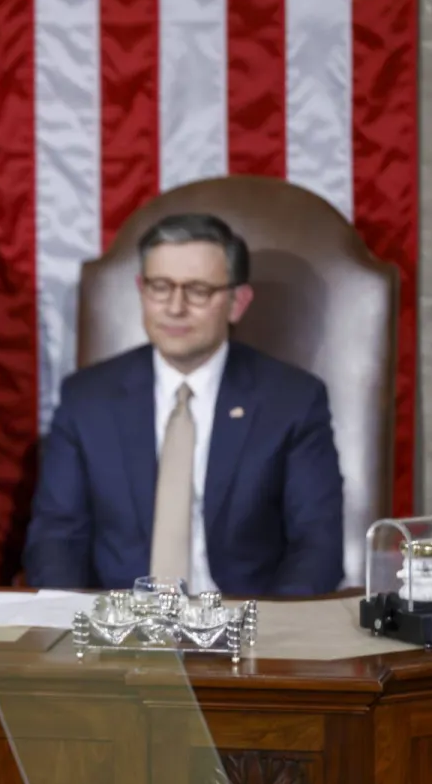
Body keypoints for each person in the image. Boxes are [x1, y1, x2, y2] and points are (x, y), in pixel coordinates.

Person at [24, 213, 344, 596]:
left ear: (237, 302)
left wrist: (271, 634)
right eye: (160, 287)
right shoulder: (88, 398)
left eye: (197, 290)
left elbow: (317, 546)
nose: (175, 307)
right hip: (120, 634)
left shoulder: (292, 400)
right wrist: (74, 624)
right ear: (141, 290)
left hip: (245, 630)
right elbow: (55, 538)